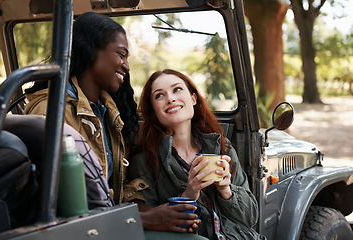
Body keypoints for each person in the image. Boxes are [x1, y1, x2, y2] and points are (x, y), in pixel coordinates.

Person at [24, 12, 147, 205]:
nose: (127, 66)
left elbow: (113, 187)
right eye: (121, 54)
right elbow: (55, 199)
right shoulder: (50, 111)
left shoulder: (107, 111)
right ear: (90, 50)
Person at [129, 69, 266, 239]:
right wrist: (189, 195)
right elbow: (150, 229)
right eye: (159, 95)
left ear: (193, 99)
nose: (170, 98)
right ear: (154, 111)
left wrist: (226, 190)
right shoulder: (143, 161)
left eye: (177, 89)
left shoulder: (223, 147)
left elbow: (251, 218)